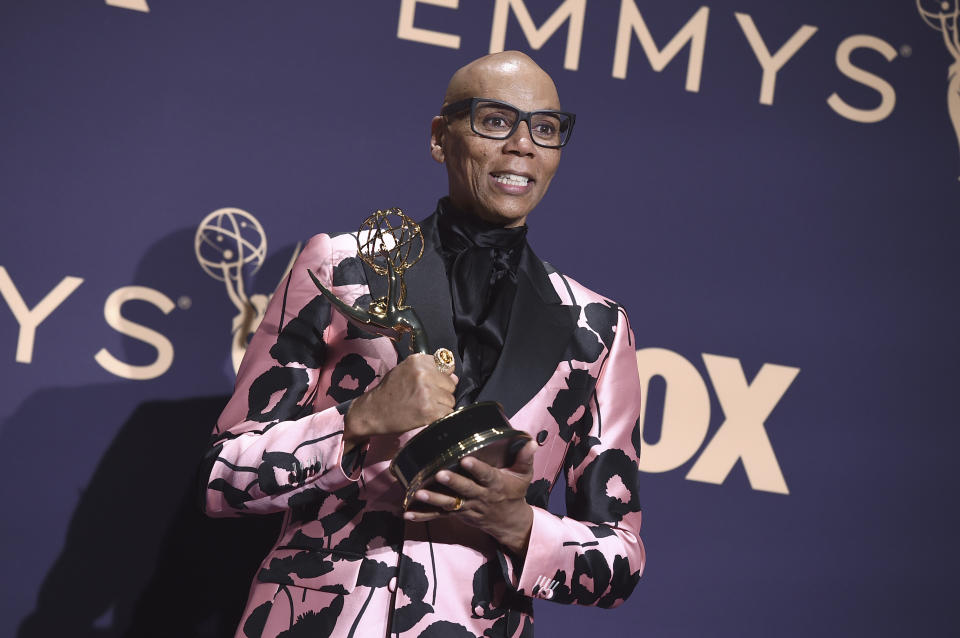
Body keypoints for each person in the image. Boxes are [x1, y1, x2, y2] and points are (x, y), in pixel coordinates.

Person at [201, 51, 645, 638]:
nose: (522, 145)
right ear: (441, 138)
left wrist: (518, 524)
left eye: (545, 128)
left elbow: (621, 561)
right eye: (495, 120)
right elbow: (224, 476)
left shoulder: (598, 329)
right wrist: (358, 421)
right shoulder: (341, 268)